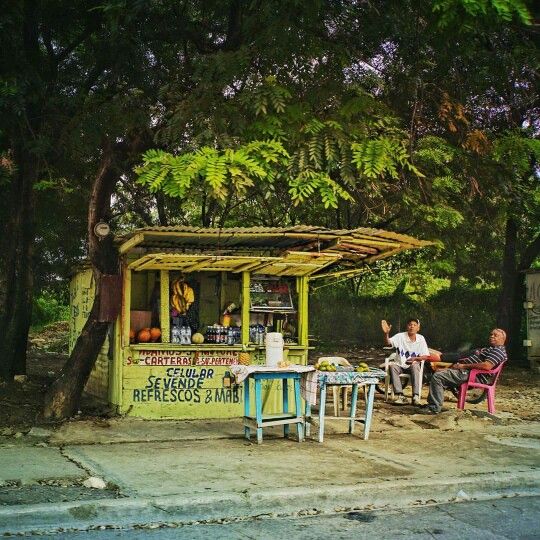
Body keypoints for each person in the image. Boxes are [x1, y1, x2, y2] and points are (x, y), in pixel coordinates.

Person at [415, 328, 507, 415]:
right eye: (491, 334)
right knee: (440, 371)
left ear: (503, 339)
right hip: (467, 372)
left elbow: (487, 366)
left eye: (495, 335)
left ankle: (433, 408)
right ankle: (434, 404)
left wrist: (463, 366)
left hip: (472, 375)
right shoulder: (492, 349)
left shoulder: (497, 351)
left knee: (438, 376)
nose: (492, 336)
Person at [381, 318, 429, 405]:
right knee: (393, 367)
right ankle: (400, 396)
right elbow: (388, 343)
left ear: (418, 328)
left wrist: (415, 359)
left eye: (414, 325)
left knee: (415, 366)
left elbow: (425, 356)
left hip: (413, 365)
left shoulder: (421, 339)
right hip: (400, 365)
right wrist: (386, 333)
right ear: (407, 326)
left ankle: (415, 397)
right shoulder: (400, 336)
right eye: (410, 325)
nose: (412, 327)